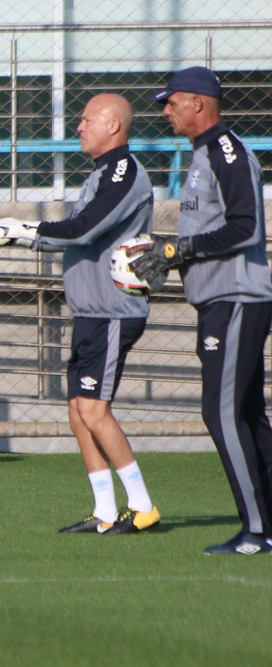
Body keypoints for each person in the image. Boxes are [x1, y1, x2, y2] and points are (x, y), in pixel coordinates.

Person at [0, 93, 161, 534]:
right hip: (90, 310)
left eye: (87, 119)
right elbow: (77, 235)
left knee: (95, 410)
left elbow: (84, 229)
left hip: (114, 310)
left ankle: (143, 507)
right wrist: (21, 237)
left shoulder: (124, 170)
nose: (78, 127)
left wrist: (24, 228)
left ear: (113, 126)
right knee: (79, 411)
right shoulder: (100, 174)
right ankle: (103, 511)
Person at [130, 66, 272, 555]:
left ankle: (256, 531)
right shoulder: (202, 154)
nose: (165, 111)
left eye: (170, 102)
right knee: (248, 416)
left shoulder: (226, 151)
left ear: (197, 103)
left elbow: (248, 227)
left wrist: (179, 251)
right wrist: (172, 251)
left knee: (221, 413)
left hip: (236, 299)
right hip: (221, 301)